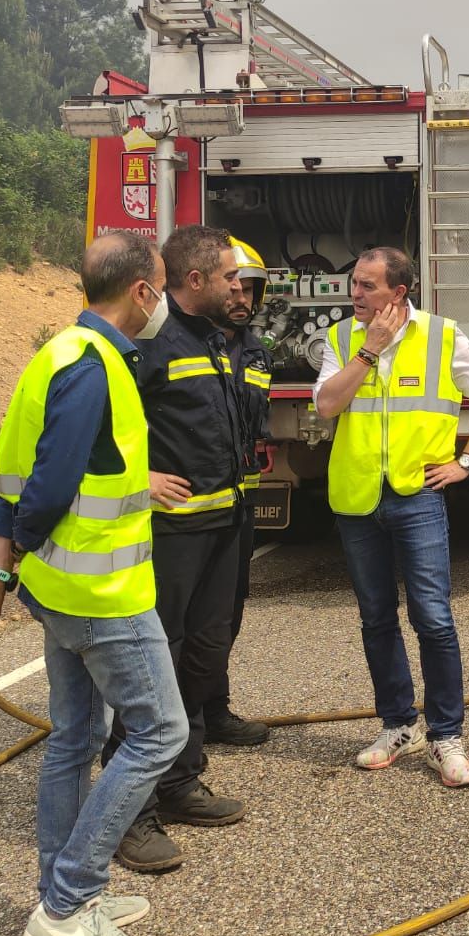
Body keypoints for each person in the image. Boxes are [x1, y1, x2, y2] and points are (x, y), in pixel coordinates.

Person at [0, 231, 186, 936]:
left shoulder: (55, 353)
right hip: (101, 595)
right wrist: (16, 551)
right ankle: (67, 900)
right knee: (160, 732)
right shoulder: (94, 367)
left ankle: (63, 895)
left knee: (74, 736)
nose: (166, 303)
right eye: (162, 288)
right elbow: (51, 485)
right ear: (142, 293)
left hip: (57, 591)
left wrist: (3, 569)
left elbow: (12, 476)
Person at [313, 246, 469, 787]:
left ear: (399, 293)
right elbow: (326, 406)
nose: (356, 294)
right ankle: (398, 725)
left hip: (417, 496)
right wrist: (368, 353)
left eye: (368, 286)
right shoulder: (343, 338)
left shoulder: (443, 335)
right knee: (376, 618)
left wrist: (466, 462)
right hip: (356, 499)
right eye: (354, 282)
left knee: (433, 618)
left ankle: (446, 735)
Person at [109, 224, 250, 874]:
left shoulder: (215, 339)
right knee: (154, 672)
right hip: (171, 536)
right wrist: (139, 481)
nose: (238, 286)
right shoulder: (148, 344)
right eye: (229, 276)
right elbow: (99, 424)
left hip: (222, 528)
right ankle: (127, 815)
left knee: (204, 655)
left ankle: (180, 779)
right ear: (194, 280)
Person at [200, 236, 273, 747]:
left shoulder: (255, 352)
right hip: (189, 508)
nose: (242, 298)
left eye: (251, 289)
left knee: (229, 609)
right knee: (190, 619)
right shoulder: (190, 345)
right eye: (235, 287)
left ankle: (214, 708)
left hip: (239, 504)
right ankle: (182, 723)